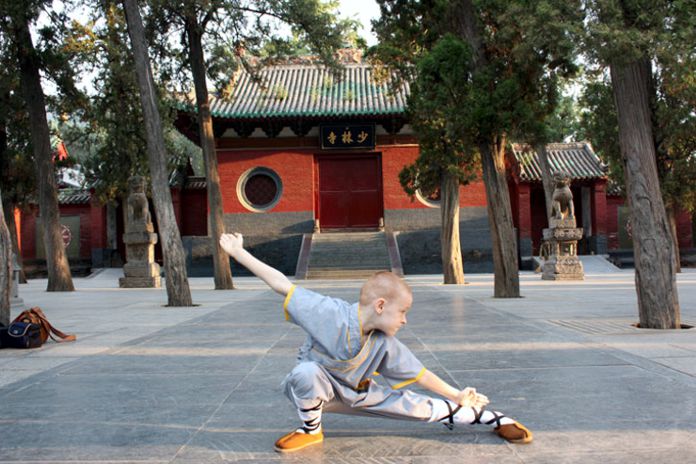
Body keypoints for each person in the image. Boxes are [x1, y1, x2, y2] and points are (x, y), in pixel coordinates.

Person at [220, 233, 533, 453]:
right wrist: (238, 253)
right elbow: (282, 284)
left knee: (419, 408)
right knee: (304, 374)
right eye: (403, 312)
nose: (405, 320)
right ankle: (311, 430)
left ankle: (497, 420)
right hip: (319, 392)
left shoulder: (384, 342)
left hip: (360, 395)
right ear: (381, 306)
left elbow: (420, 375)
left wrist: (458, 394)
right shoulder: (328, 313)